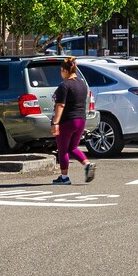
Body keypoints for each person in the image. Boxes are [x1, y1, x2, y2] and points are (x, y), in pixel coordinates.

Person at [52, 56, 94, 185]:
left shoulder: (64, 86)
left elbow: (60, 105)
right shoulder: (82, 84)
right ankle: (87, 164)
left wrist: (55, 123)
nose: (61, 74)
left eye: (61, 71)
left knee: (63, 150)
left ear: (65, 71)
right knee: (73, 147)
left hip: (67, 121)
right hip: (81, 119)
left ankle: (64, 178)